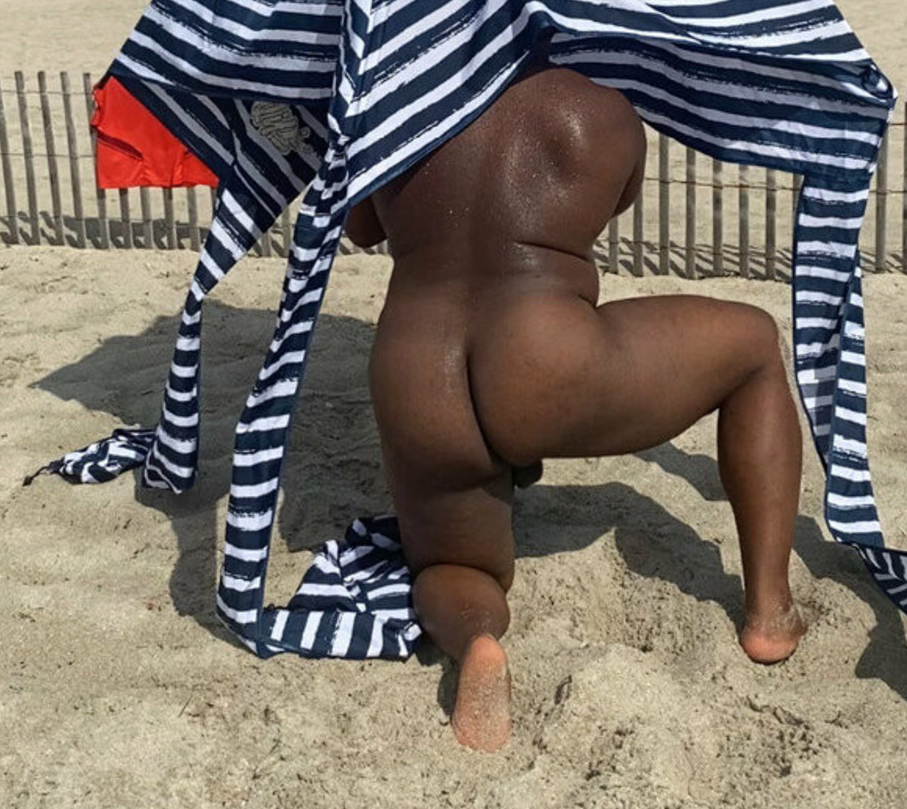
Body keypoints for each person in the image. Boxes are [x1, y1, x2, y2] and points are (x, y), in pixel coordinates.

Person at [344, 46, 806, 752]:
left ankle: (476, 641)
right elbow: (609, 198)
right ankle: (770, 612)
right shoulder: (600, 109)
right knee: (754, 346)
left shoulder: (395, 103)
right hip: (544, 358)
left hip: (416, 369)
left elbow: (361, 228)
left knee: (451, 567)